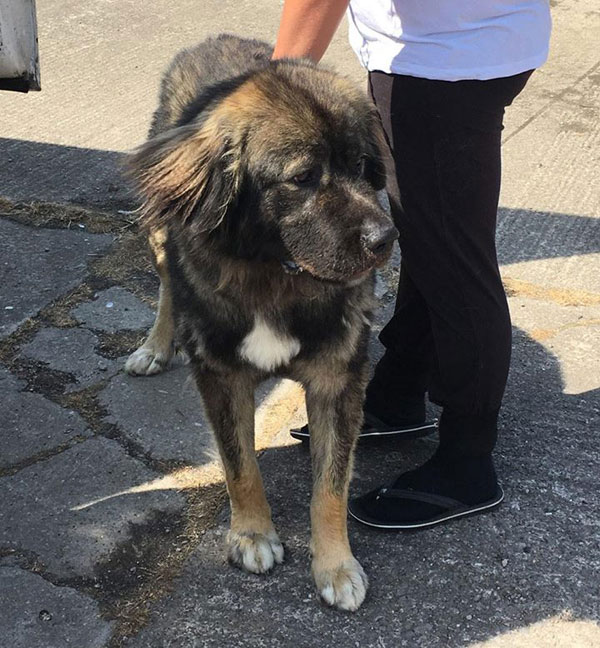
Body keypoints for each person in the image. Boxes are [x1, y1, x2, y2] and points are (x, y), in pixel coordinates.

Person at [274, 0, 552, 529]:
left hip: (439, 62)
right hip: (475, 41)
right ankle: (400, 392)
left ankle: (467, 461)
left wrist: (275, 85)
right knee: (432, 234)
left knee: (455, 259)